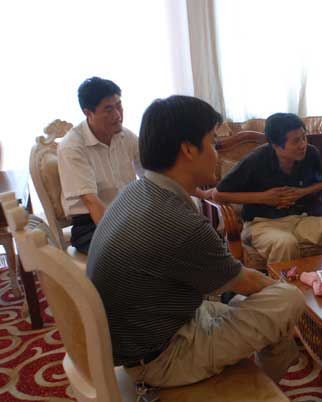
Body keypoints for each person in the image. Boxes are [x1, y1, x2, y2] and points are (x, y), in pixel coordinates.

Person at [87, 95, 304, 388]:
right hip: (162, 358)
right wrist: (290, 300)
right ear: (188, 149)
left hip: (146, 333)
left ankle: (264, 384)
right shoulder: (177, 221)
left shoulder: (136, 192)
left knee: (268, 309)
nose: (217, 154)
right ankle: (262, 388)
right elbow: (249, 282)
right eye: (213, 142)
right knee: (289, 299)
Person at [214, 112, 322, 264]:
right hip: (262, 223)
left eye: (304, 137)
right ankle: (285, 280)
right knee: (285, 244)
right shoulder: (256, 160)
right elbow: (218, 194)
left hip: (302, 219)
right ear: (276, 145)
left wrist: (301, 192)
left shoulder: (311, 153)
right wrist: (263, 198)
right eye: (296, 141)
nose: (303, 144)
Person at [57, 77, 141, 254]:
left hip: (128, 214)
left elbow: (153, 175)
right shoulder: (72, 146)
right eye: (108, 109)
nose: (117, 115)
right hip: (91, 224)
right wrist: (124, 237)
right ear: (88, 113)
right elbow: (91, 201)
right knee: (140, 251)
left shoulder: (126, 136)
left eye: (119, 106)